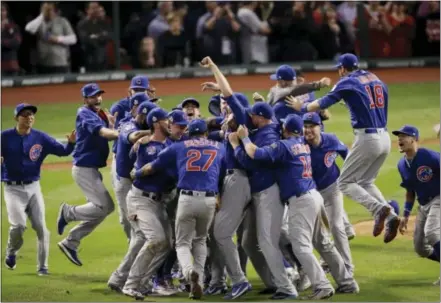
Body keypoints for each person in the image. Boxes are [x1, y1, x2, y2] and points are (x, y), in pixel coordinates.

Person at [234, 114, 359, 299]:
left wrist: (243, 138)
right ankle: (347, 282)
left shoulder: (285, 146)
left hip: (301, 200)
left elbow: (254, 153)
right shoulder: (303, 144)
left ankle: (322, 286)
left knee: (301, 247)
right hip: (315, 197)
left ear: (285, 131)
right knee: (324, 244)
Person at [201, 56, 291, 299]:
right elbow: (218, 118)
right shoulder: (233, 124)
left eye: (224, 104)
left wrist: (213, 67)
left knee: (223, 233)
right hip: (243, 183)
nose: (222, 107)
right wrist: (218, 89)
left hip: (240, 181)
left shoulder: (242, 122)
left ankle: (243, 280)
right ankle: (273, 281)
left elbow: (230, 94)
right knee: (249, 242)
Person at [288, 53, 401, 243]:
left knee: (345, 183)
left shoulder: (347, 81)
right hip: (385, 137)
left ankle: (379, 209)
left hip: (368, 138)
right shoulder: (375, 78)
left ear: (342, 68)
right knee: (365, 182)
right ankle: (391, 217)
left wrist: (302, 107)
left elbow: (322, 103)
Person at [135, 119, 226, 300]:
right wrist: (219, 196)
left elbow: (153, 166)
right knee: (200, 240)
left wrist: (136, 173)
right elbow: (222, 174)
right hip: (209, 199)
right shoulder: (219, 147)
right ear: (206, 133)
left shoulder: (179, 146)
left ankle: (188, 272)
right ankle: (197, 281)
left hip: (186, 199)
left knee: (183, 243)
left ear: (189, 133)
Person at [2, 103, 75, 275]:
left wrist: (71, 144)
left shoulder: (40, 137)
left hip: (34, 187)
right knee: (18, 226)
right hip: (12, 189)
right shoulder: (4, 137)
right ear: (16, 118)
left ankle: (43, 267)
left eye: (31, 115)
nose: (29, 117)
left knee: (42, 228)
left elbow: (63, 151)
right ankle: (11, 252)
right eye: (25, 114)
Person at [56, 83, 118, 266]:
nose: (97, 99)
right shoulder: (84, 113)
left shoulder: (100, 114)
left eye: (99, 95)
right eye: (93, 96)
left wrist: (113, 124)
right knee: (106, 206)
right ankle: (69, 212)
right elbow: (102, 133)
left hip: (91, 169)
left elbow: (106, 129)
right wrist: (120, 133)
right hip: (84, 168)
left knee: (100, 211)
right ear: (85, 99)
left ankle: (71, 242)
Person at [302, 112, 354, 275]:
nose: (308, 130)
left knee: (336, 226)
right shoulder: (300, 144)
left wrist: (351, 175)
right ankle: (328, 261)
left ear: (320, 127)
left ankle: (347, 267)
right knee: (318, 232)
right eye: (306, 126)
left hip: (332, 188)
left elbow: (348, 155)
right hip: (312, 193)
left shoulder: (331, 140)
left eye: (312, 126)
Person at [393, 125, 440, 285]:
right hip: (424, 204)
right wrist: (405, 216)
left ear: (414, 139)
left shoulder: (430, 156)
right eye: (398, 136)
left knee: (432, 233)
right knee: (421, 248)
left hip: (439, 198)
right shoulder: (401, 165)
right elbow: (410, 191)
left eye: (403, 136)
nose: (399, 139)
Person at [24, 2, 77, 74]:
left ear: (54, 10)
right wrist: (42, 15)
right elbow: (28, 28)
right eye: (44, 9)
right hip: (43, 63)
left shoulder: (62, 21)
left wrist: (57, 39)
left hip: (60, 63)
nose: (47, 12)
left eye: (49, 9)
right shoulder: (39, 22)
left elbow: (73, 39)